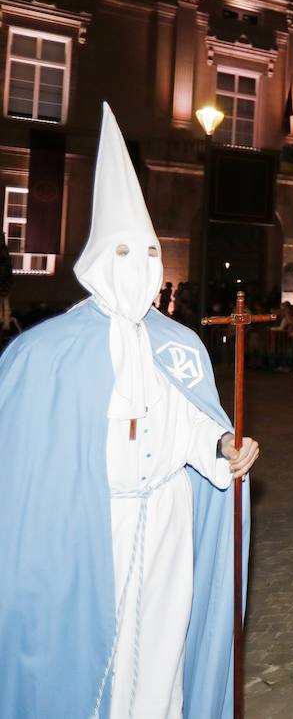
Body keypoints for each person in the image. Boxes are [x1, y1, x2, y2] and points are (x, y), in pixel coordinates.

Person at [0, 105, 261, 719]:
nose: (138, 263)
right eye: (123, 249)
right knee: (97, 657)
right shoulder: (45, 353)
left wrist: (222, 448)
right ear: (95, 257)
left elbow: (195, 421)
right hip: (92, 529)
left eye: (148, 250)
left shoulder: (179, 343)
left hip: (167, 518)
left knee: (166, 648)